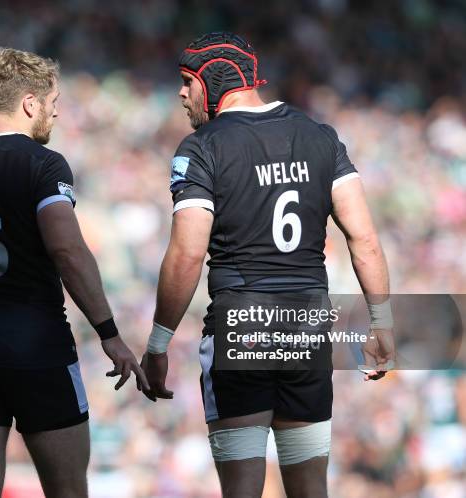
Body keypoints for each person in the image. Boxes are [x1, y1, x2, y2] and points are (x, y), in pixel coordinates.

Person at [141, 32, 395, 498]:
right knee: (310, 489)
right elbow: (365, 241)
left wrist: (158, 344)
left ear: (213, 81)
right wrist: (381, 323)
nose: (181, 94)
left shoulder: (202, 147)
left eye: (186, 82)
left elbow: (187, 254)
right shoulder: (322, 137)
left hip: (242, 323)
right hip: (305, 324)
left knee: (242, 490)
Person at [0, 47, 149, 498]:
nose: (57, 113)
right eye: (53, 102)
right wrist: (109, 333)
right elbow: (67, 249)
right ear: (29, 103)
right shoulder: (44, 165)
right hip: (37, 347)